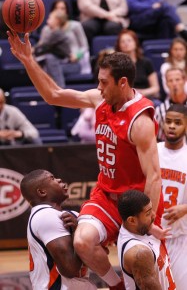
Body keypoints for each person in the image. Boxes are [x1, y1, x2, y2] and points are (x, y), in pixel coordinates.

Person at [8, 31, 163, 289]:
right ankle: (116, 286)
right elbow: (54, 95)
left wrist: (149, 221)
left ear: (122, 82)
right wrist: (27, 60)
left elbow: (154, 177)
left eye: (104, 82)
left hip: (133, 204)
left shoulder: (141, 121)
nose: (99, 88)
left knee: (143, 267)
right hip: (104, 196)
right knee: (82, 242)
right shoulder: (99, 100)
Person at [20, 169, 97, 290]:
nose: (59, 179)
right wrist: (78, 233)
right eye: (52, 178)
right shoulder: (45, 215)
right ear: (41, 191)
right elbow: (70, 269)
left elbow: (100, 252)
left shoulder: (67, 215)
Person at [117, 189, 176, 290]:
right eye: (148, 213)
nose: (153, 215)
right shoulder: (139, 253)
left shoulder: (139, 228)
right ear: (132, 220)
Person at [158, 104, 187, 290]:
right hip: (151, 234)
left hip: (179, 236)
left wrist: (185, 208)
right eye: (168, 121)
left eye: (178, 122)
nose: (172, 126)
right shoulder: (152, 150)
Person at [34, 0, 91, 88]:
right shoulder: (47, 29)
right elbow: (43, 45)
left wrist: (77, 55)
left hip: (71, 61)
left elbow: (85, 46)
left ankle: (58, 90)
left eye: (62, 8)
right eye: (56, 8)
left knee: (50, 66)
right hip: (56, 61)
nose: (59, 11)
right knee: (50, 60)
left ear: (67, 11)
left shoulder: (75, 25)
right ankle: (58, 91)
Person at [115, 29, 161, 107]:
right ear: (119, 45)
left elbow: (155, 88)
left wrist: (141, 92)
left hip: (144, 96)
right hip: (124, 99)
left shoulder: (146, 62)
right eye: (123, 41)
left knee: (157, 104)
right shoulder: (116, 65)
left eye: (129, 40)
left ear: (135, 43)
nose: (126, 43)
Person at [155, 67, 187, 141]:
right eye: (170, 81)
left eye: (177, 79)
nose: (174, 84)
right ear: (166, 83)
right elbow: (158, 138)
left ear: (184, 80)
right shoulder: (160, 110)